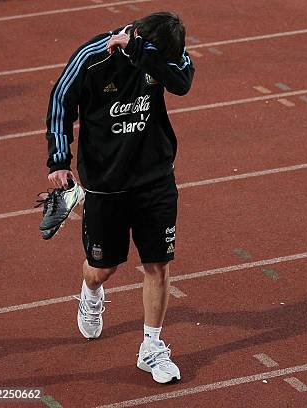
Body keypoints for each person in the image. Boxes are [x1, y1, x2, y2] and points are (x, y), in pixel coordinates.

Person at [43, 11, 194, 383]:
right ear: (139, 32)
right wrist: (60, 160)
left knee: (157, 264)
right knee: (102, 269)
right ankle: (91, 292)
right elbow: (60, 101)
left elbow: (181, 82)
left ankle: (152, 347)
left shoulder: (161, 51)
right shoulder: (93, 57)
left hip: (155, 177)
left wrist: (143, 52)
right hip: (106, 183)